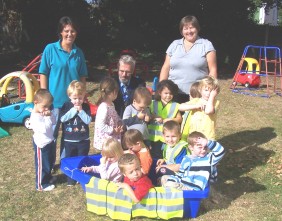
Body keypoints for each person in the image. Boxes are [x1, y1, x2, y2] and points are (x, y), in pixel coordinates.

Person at [39, 16, 88, 162]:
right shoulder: (50, 49)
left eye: (73, 31)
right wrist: (44, 97)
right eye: (66, 31)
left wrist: (82, 96)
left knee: (69, 137)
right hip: (53, 103)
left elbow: (83, 77)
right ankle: (48, 165)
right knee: (50, 136)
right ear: (60, 32)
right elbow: (43, 73)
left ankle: (65, 164)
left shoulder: (78, 53)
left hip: (72, 103)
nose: (69, 34)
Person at [159, 15, 217, 103]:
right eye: (185, 28)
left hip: (197, 94)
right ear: (182, 31)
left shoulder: (206, 45)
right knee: (173, 117)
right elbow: (165, 67)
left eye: (192, 28)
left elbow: (212, 69)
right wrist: (162, 88)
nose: (189, 31)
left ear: (197, 28)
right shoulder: (174, 45)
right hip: (172, 94)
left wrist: (209, 91)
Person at [161, 131, 225, 191]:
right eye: (200, 147)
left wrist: (207, 142)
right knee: (164, 178)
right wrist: (172, 179)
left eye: (205, 147)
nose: (203, 150)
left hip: (193, 189)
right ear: (191, 147)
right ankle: (169, 197)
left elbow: (221, 151)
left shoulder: (209, 159)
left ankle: (169, 196)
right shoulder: (186, 159)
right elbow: (181, 174)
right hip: (183, 184)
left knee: (169, 185)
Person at [60, 80, 92, 186]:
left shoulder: (86, 107)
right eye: (74, 98)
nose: (77, 101)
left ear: (83, 96)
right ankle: (70, 179)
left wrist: (81, 111)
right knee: (70, 159)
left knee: (82, 159)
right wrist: (74, 111)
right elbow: (63, 119)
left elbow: (88, 120)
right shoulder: (66, 105)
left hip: (83, 140)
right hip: (69, 140)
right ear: (69, 96)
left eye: (80, 98)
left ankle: (80, 178)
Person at [30, 89, 56, 191]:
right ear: (36, 102)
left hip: (49, 141)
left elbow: (53, 122)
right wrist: (48, 117)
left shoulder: (44, 113)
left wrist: (50, 115)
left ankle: (48, 177)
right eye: (44, 106)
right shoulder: (34, 117)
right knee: (42, 164)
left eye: (48, 106)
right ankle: (40, 185)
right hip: (41, 144)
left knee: (49, 162)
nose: (46, 109)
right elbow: (45, 129)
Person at [148, 80, 182, 159]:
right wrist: (154, 116)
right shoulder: (152, 103)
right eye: (166, 93)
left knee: (164, 156)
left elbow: (179, 119)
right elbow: (148, 114)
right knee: (154, 156)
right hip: (153, 137)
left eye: (171, 93)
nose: (168, 96)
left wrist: (166, 120)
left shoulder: (175, 105)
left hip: (167, 138)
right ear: (160, 93)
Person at [94, 77, 124, 151]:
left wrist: (120, 121)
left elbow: (115, 116)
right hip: (105, 141)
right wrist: (113, 130)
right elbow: (100, 125)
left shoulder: (111, 104)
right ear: (113, 92)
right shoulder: (103, 107)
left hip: (111, 139)